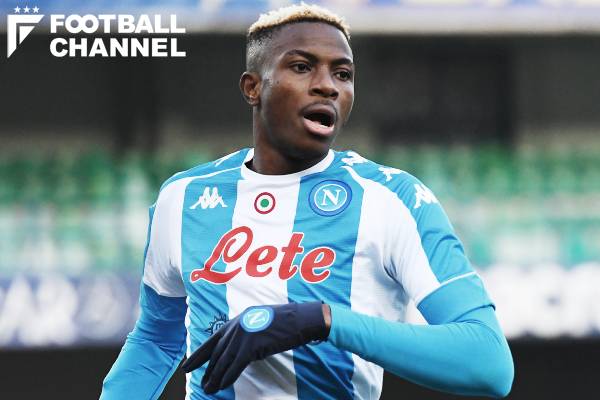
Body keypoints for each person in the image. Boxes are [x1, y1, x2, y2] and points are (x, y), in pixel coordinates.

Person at [101, 3, 514, 399]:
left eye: (343, 74)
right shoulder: (184, 197)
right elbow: (156, 339)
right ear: (253, 88)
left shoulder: (393, 199)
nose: (327, 85)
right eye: (302, 67)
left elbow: (488, 361)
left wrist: (323, 320)